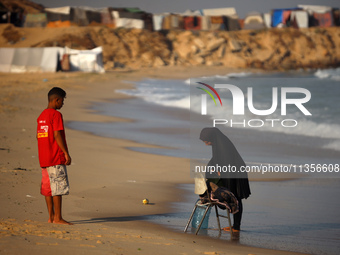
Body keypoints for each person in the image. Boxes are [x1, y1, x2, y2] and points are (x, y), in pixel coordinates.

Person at [199, 127, 251, 232]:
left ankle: (236, 227)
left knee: (236, 197)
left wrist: (220, 171)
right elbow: (217, 160)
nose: (206, 144)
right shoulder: (218, 143)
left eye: (206, 141)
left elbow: (228, 161)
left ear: (212, 138)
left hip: (234, 172)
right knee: (233, 197)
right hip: (229, 171)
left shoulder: (223, 145)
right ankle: (235, 226)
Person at [37, 87, 72, 225]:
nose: (62, 104)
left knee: (48, 188)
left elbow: (38, 136)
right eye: (62, 101)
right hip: (55, 157)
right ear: (56, 100)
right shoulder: (55, 115)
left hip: (44, 158)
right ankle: (58, 218)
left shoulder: (41, 116)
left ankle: (51, 217)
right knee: (57, 187)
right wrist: (65, 152)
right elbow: (57, 134)